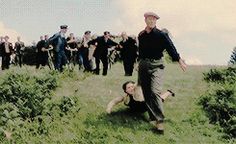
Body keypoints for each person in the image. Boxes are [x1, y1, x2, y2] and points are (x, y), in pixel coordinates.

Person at [137, 12, 187, 133]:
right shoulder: (141, 35)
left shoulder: (161, 35)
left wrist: (179, 60)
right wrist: (137, 64)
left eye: (154, 19)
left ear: (156, 21)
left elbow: (171, 47)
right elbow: (141, 51)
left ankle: (160, 121)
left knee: (155, 91)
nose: (151, 21)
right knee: (147, 93)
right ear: (145, 20)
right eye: (149, 19)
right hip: (143, 65)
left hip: (157, 65)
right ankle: (152, 116)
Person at [106, 81, 175, 115]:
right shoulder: (124, 96)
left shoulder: (138, 91)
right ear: (125, 90)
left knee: (160, 100)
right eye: (128, 88)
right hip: (136, 110)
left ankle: (169, 92)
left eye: (132, 86)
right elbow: (113, 102)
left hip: (146, 106)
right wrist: (108, 110)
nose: (131, 88)